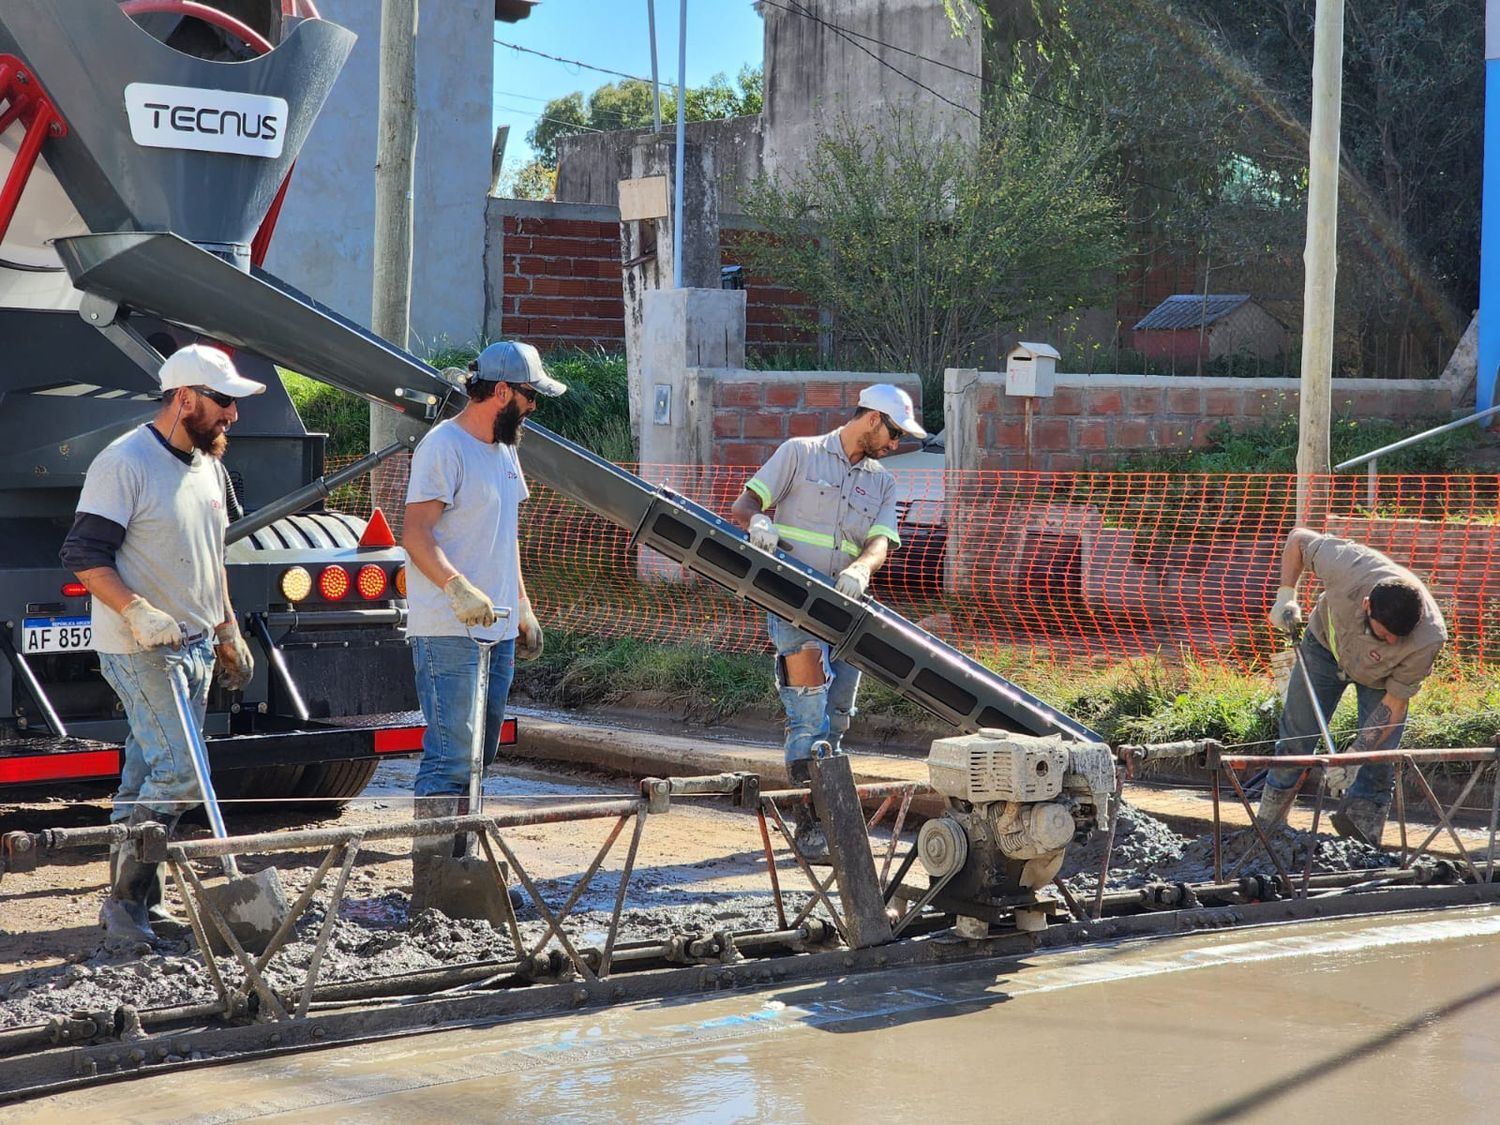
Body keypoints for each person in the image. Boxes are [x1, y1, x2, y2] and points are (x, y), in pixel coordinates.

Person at [61, 343, 263, 941]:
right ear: (184, 399)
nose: (232, 414)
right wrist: (139, 611)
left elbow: (211, 558)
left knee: (145, 774)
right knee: (181, 774)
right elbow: (82, 554)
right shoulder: (124, 463)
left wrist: (227, 627)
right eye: (222, 402)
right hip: (143, 648)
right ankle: (126, 905)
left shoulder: (210, 467)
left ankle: (138, 908)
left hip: (197, 645)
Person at [729, 384, 923, 858]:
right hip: (795, 607)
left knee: (836, 717)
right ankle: (810, 824)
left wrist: (862, 567)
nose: (894, 446)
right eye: (893, 433)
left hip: (847, 612)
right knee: (808, 713)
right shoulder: (800, 454)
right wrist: (760, 523)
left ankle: (822, 811)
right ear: (873, 418)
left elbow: (880, 541)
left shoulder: (881, 481)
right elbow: (744, 506)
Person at [401, 340, 564, 904]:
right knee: (450, 755)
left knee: (480, 753)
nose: (535, 407)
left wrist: (522, 606)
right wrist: (456, 587)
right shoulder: (443, 448)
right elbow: (415, 533)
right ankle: (434, 884)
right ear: (501, 392)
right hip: (449, 630)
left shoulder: (503, 449)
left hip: (495, 630)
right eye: (529, 396)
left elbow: (507, 539)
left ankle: (461, 871)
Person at [1259, 528, 1447, 847]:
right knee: (1295, 741)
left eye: (1397, 639)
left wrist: (1356, 755)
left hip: (1381, 679)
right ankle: (1266, 831)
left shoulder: (1428, 638)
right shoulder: (1348, 565)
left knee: (1378, 759)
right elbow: (1298, 540)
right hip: (1324, 649)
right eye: (1384, 634)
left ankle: (1362, 837)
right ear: (1366, 606)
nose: (1391, 642)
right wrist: (1285, 595)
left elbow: (1394, 703)